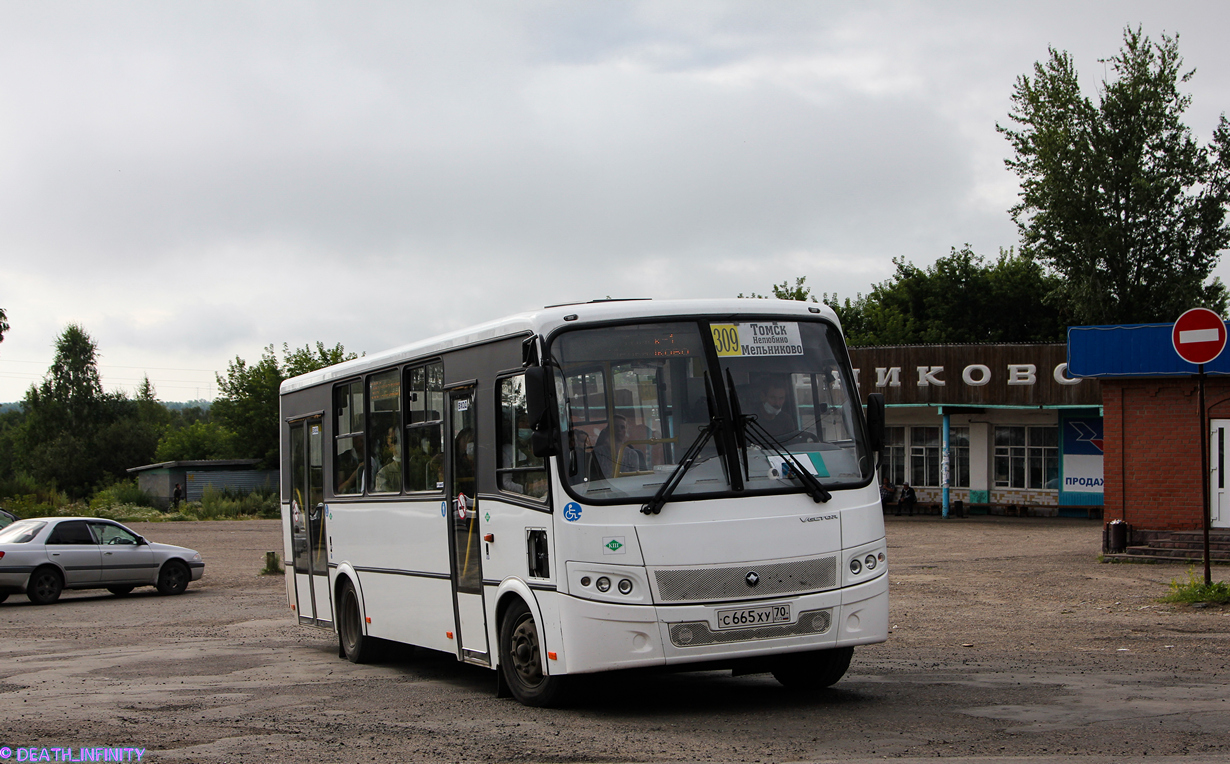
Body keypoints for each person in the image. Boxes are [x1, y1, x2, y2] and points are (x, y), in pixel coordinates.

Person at [375, 428, 402, 492]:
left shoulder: (416, 469)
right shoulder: (384, 473)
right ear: (389, 445)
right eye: (394, 441)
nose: (399, 445)